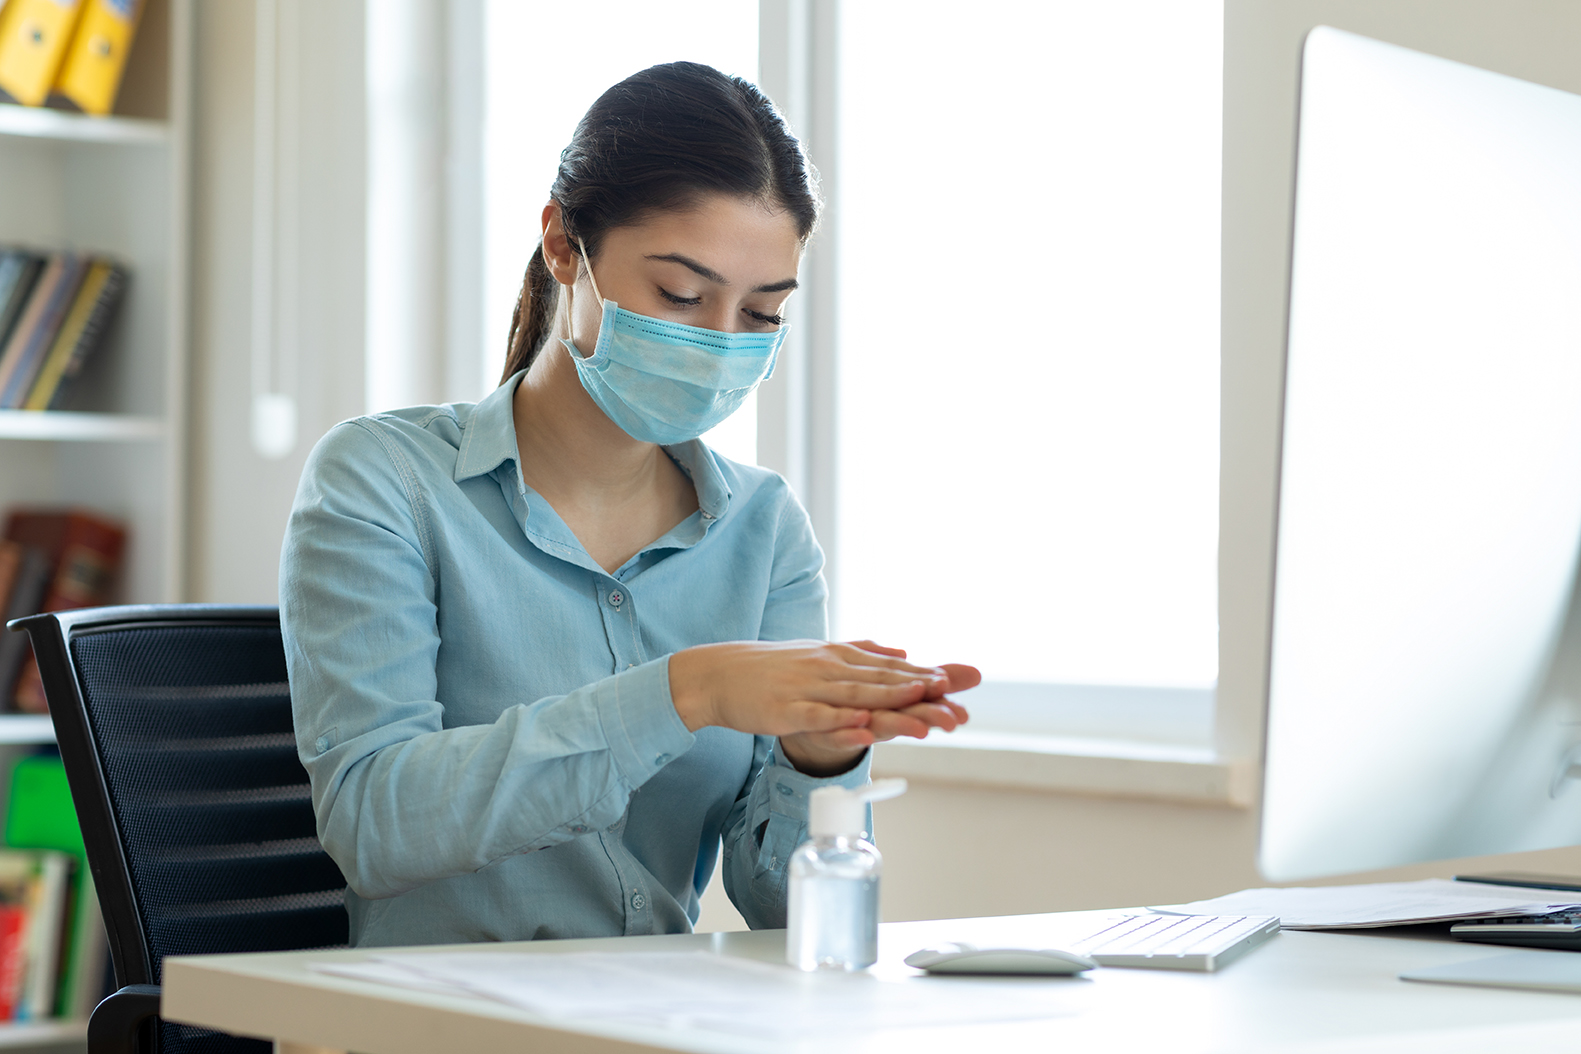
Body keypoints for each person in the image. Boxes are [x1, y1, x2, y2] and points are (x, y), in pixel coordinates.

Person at [280, 61, 978, 948]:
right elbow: (375, 825)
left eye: (761, 314)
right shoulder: (381, 479)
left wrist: (823, 752)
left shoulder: (764, 530)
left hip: (657, 1020)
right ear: (564, 246)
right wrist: (687, 691)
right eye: (681, 296)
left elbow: (788, 916)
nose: (719, 343)